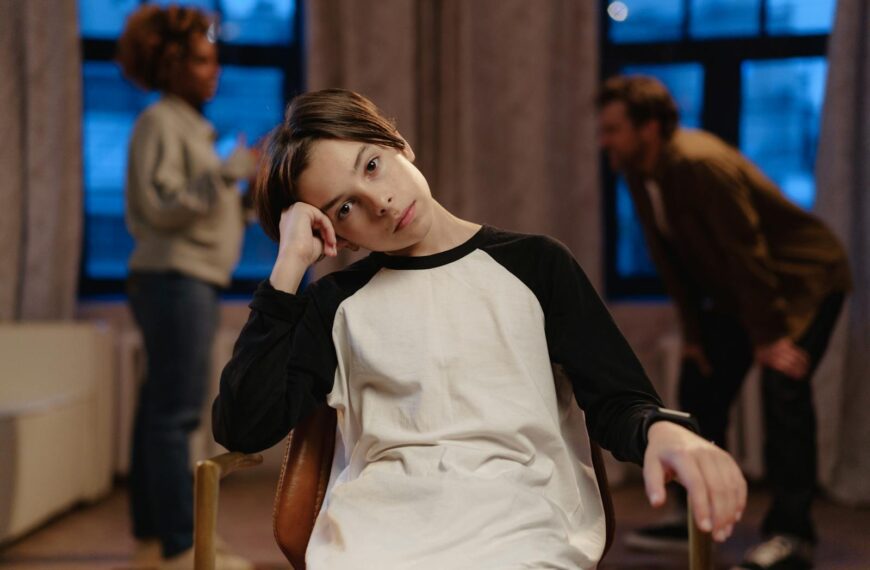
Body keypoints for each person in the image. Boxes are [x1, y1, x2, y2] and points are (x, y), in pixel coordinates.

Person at [212, 88, 746, 569]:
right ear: (338, 235)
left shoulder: (537, 264)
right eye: (346, 207)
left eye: (372, 165)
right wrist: (286, 271)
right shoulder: (335, 303)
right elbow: (245, 426)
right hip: (379, 536)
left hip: (521, 527)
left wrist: (663, 430)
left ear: (398, 144)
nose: (381, 203)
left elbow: (618, 400)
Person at [597, 75, 851, 570]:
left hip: (803, 281)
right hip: (744, 293)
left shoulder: (698, 162)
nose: (604, 141)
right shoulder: (638, 170)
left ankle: (792, 536)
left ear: (648, 128)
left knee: (784, 392)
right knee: (701, 384)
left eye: (613, 130)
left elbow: (746, 252)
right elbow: (672, 261)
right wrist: (695, 336)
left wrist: (770, 337)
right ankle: (695, 516)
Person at [117, 5, 255, 569]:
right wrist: (225, 174)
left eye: (215, 59)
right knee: (176, 416)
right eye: (201, 60)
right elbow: (160, 206)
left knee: (160, 410)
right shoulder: (160, 122)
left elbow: (202, 209)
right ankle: (179, 547)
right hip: (174, 278)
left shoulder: (190, 127)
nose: (213, 70)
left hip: (185, 277)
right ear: (170, 65)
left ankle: (155, 538)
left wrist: (244, 189)